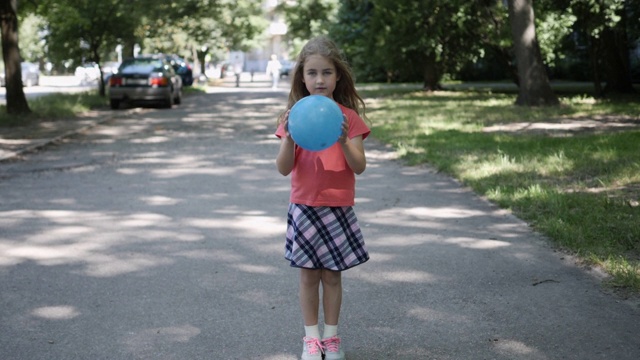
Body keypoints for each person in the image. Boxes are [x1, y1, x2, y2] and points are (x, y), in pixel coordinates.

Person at [275, 36, 370, 360]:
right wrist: (288, 137)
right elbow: (283, 169)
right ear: (302, 77)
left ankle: (332, 339)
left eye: (326, 72)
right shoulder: (293, 117)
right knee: (307, 275)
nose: (319, 80)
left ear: (338, 76)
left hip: (338, 207)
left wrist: (344, 140)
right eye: (312, 73)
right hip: (304, 206)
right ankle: (311, 340)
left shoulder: (349, 118)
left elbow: (359, 166)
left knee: (331, 275)